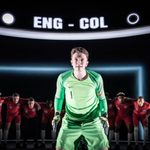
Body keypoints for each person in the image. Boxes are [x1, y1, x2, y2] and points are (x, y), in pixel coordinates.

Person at [52, 47, 109, 150]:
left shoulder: (96, 78)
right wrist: (57, 114)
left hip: (92, 121)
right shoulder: (62, 78)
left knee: (103, 148)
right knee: (60, 148)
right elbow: (59, 98)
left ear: (87, 62)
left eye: (82, 59)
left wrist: (104, 114)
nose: (79, 62)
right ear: (71, 62)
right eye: (76, 59)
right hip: (70, 121)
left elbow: (102, 99)